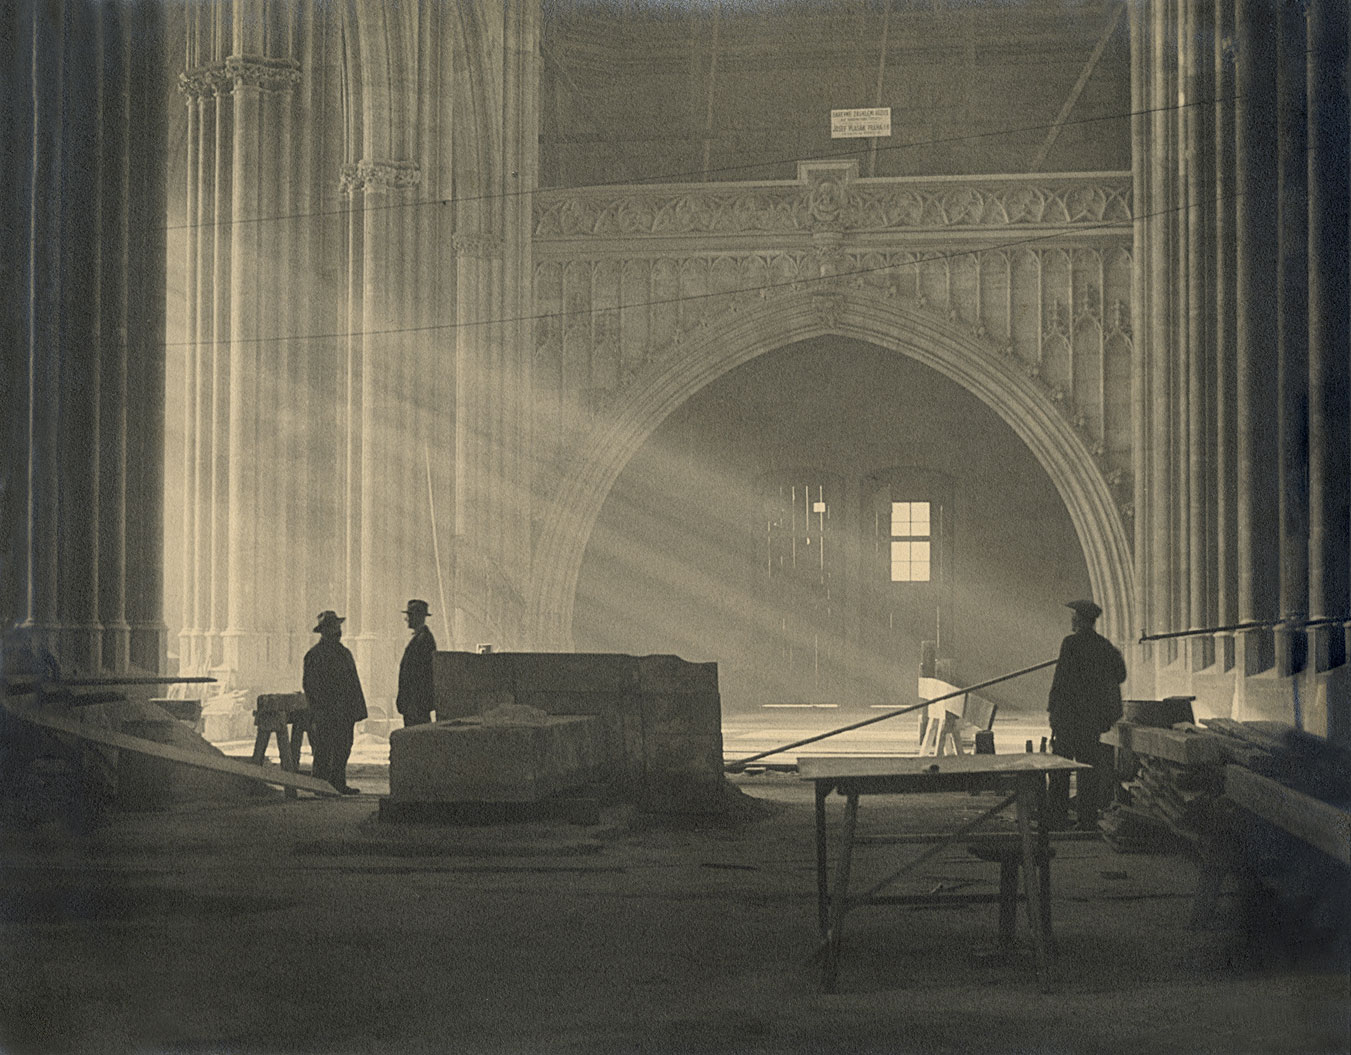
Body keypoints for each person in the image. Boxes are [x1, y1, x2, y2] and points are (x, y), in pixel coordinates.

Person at [1046, 599, 1126, 830]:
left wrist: (1053, 711)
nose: (1072, 620)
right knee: (1087, 770)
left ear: (1081, 620)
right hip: (1091, 720)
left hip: (1068, 717)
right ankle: (1087, 819)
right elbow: (1120, 675)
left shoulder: (1070, 643)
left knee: (1060, 769)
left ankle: (1057, 818)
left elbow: (1060, 680)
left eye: (1074, 617)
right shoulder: (1104, 646)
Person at [302, 610, 367, 795]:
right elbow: (310, 687)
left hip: (344, 713)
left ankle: (338, 783)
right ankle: (320, 786)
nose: (338, 630)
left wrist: (356, 710)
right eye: (333, 627)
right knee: (323, 749)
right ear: (324, 631)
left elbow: (353, 683)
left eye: (338, 626)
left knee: (343, 748)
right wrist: (318, 711)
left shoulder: (344, 653)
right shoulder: (315, 655)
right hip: (326, 713)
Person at [396, 599, 437, 727]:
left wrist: (413, 703)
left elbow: (419, 675)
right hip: (414, 703)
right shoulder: (421, 638)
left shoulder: (423, 639)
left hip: (416, 703)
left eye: (409, 615)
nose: (406, 619)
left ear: (417, 617)